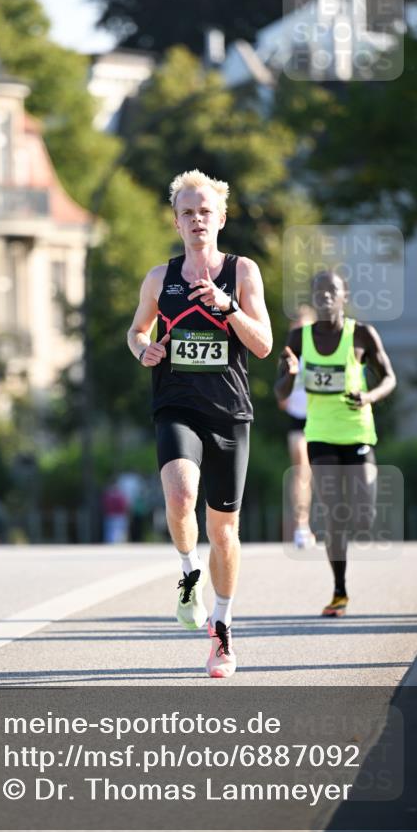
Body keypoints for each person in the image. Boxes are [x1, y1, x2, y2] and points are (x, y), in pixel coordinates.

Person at [127, 169, 272, 677]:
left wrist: (228, 307)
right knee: (179, 495)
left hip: (229, 413)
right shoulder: (158, 278)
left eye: (204, 211)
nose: (196, 220)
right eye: (187, 213)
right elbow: (137, 331)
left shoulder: (243, 272)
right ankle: (190, 574)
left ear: (221, 218)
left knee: (224, 529)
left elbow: (263, 344)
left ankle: (223, 631)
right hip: (176, 406)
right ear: (176, 221)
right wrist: (145, 349)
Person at [274, 271, 396, 616]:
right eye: (318, 292)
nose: (325, 297)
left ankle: (343, 575)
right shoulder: (299, 337)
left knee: (364, 517)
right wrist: (292, 374)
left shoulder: (362, 335)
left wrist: (370, 396)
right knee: (333, 514)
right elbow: (279, 392)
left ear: (344, 296)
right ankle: (339, 591)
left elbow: (389, 377)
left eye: (332, 291)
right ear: (313, 298)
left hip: (357, 434)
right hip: (320, 435)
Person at [278, 304, 316, 548]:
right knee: (301, 471)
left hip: (324, 422)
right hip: (298, 422)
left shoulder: (324, 355)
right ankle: (302, 526)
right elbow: (281, 400)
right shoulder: (287, 358)